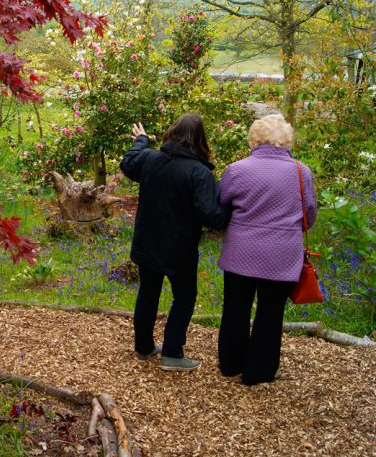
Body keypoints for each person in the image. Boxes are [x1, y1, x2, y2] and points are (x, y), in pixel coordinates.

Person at [120, 114, 229, 371]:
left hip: (147, 242)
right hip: (179, 248)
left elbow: (128, 163)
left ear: (172, 133)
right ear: (200, 140)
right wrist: (233, 210)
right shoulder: (199, 173)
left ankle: (144, 346)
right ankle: (172, 352)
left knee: (148, 292)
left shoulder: (150, 159)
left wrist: (141, 141)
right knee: (184, 296)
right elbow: (211, 215)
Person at [217, 114, 317, 385]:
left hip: (241, 251)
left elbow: (223, 201)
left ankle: (230, 363)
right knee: (270, 314)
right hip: (282, 254)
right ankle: (259, 371)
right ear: (285, 140)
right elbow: (309, 213)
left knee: (235, 309)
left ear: (254, 139)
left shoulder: (236, 169)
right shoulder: (301, 171)